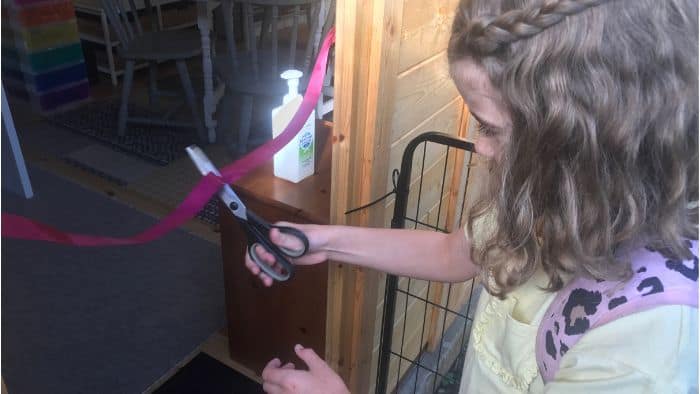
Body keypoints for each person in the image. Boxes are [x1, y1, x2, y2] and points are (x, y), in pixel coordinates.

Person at [245, 0, 699, 392]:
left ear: (586, 140)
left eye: (490, 128)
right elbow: (451, 254)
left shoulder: (643, 351)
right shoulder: (550, 191)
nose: (480, 146)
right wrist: (322, 241)